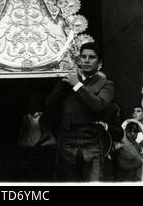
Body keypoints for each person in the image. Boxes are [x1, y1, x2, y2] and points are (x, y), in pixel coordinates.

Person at [45, 42, 114, 182]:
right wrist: (63, 83)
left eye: (91, 57)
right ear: (79, 60)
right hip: (67, 138)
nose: (87, 60)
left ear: (99, 62)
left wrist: (77, 85)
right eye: (83, 57)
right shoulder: (68, 81)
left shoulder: (106, 84)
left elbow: (99, 106)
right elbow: (49, 105)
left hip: (92, 139)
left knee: (93, 181)